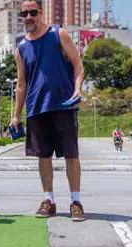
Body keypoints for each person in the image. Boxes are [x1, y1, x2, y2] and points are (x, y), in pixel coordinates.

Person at [11, 0, 85, 221]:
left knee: (71, 155)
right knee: (43, 157)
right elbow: (21, 84)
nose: (29, 17)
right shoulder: (21, 49)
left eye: (33, 12)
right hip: (36, 109)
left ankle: (76, 201)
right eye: (24, 14)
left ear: (41, 13)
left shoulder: (58, 34)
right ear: (21, 17)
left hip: (63, 105)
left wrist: (78, 89)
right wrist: (15, 114)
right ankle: (49, 200)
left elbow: (78, 65)